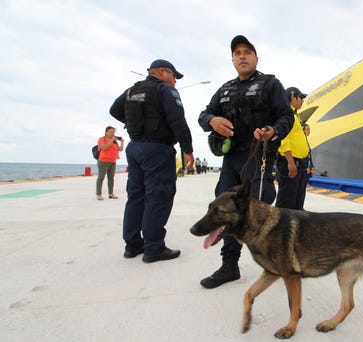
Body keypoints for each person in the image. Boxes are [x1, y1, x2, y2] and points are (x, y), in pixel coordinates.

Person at [197, 35, 293, 288]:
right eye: (237, 52)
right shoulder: (225, 88)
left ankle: (276, 258)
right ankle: (229, 266)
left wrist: (272, 130)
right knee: (224, 210)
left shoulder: (270, 84)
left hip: (258, 155)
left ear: (256, 58)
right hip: (231, 159)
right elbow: (204, 114)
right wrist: (211, 121)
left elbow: (286, 116)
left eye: (247, 52)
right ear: (232, 59)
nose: (242, 56)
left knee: (258, 209)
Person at [109, 59, 194, 263]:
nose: (175, 82)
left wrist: (138, 123)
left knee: (136, 196)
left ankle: (132, 244)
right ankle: (154, 247)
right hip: (157, 149)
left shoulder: (131, 90)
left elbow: (114, 110)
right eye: (174, 77)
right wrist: (187, 149)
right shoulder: (164, 90)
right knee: (158, 195)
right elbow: (177, 119)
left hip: (135, 148)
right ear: (163, 73)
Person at [275, 87, 310, 210]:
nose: (302, 101)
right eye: (301, 97)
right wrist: (290, 162)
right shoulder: (285, 115)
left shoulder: (296, 116)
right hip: (290, 161)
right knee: (286, 200)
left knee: (298, 199)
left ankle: (297, 226)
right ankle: (281, 228)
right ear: (292, 97)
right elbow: (284, 139)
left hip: (300, 162)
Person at [96, 126, 124, 200]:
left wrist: (122, 142)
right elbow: (104, 148)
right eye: (110, 132)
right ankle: (99, 194)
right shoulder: (101, 139)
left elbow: (120, 149)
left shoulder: (115, 141)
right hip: (103, 161)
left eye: (113, 132)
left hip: (113, 161)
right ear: (106, 132)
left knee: (111, 178)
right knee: (101, 177)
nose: (112, 133)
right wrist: (111, 140)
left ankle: (111, 194)